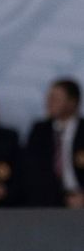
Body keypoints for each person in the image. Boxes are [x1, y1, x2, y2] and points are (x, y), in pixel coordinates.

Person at [24, 78, 84, 208]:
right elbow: (33, 171)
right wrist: (62, 199)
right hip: (49, 203)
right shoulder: (39, 131)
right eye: (48, 98)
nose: (48, 103)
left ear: (73, 102)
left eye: (55, 99)